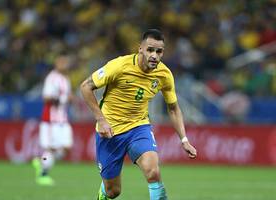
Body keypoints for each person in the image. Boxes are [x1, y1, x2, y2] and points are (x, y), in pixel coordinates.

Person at [80, 29, 197, 199]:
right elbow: (85, 86)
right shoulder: (119, 66)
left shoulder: (164, 75)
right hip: (110, 131)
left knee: (153, 171)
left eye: (159, 51)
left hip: (138, 128)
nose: (154, 56)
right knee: (113, 191)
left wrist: (184, 140)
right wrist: (101, 120)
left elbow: (173, 108)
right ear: (140, 49)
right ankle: (104, 191)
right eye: (150, 50)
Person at [32, 52, 75, 186]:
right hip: (51, 120)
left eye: (66, 62)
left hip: (63, 119)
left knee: (66, 148)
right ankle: (43, 174)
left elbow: (68, 97)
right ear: (56, 63)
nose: (64, 65)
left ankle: (41, 161)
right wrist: (64, 99)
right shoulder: (51, 78)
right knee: (50, 149)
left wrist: (69, 99)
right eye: (62, 62)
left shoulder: (65, 79)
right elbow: (46, 98)